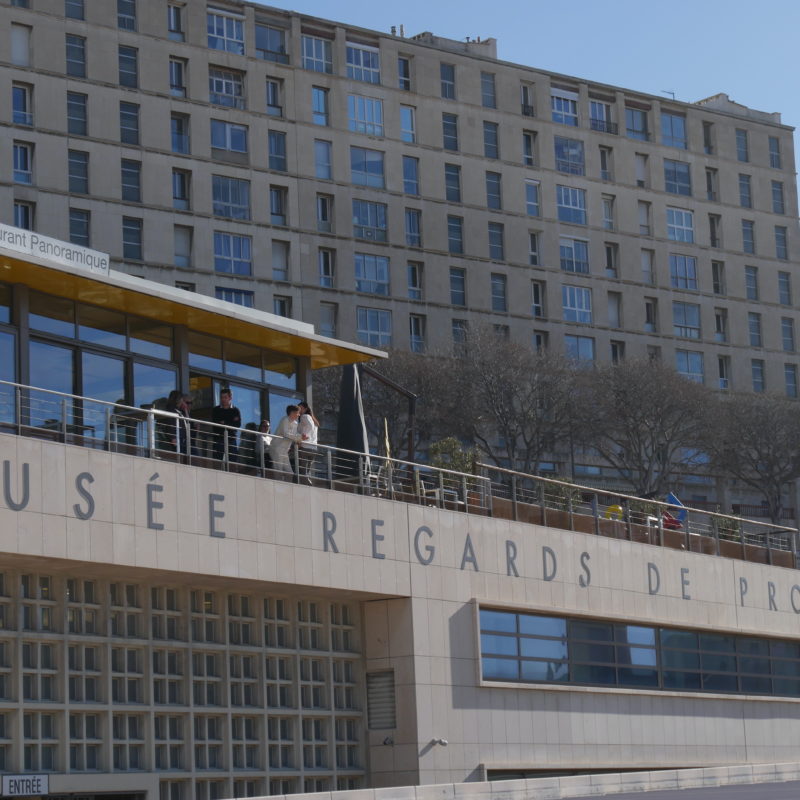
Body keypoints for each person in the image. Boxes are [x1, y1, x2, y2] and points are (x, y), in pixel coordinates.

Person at [270, 404, 305, 476]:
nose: (299, 415)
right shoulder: (285, 419)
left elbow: (293, 435)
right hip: (277, 448)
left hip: (285, 450)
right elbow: (286, 434)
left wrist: (301, 437)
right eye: (298, 413)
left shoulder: (295, 423)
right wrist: (299, 437)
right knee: (278, 470)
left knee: (290, 473)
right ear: (292, 413)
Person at [212, 387, 241, 462]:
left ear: (230, 398)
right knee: (217, 462)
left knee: (232, 462)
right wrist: (230, 423)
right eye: (221, 397)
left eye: (225, 397)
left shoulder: (235, 410)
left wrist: (224, 423)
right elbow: (215, 424)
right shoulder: (216, 410)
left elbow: (237, 425)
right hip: (219, 438)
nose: (223, 399)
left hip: (231, 440)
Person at [297, 401, 320, 484]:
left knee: (303, 470)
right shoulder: (314, 420)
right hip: (313, 448)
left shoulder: (304, 416)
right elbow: (311, 426)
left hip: (305, 446)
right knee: (307, 471)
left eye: (300, 408)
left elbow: (309, 427)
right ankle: (307, 484)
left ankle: (304, 483)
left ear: (306, 409)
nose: (299, 410)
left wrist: (302, 438)